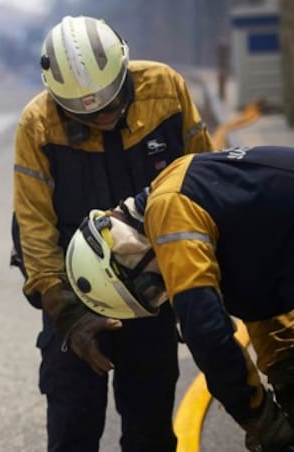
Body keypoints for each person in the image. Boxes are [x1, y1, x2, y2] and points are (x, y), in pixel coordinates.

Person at [11, 15, 213, 451]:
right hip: (73, 298)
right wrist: (69, 317)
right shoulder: (38, 124)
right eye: (85, 111)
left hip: (152, 297)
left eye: (110, 103)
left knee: (151, 432)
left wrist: (198, 285)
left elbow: (207, 186)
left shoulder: (166, 90)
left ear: (124, 67)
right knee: (72, 430)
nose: (103, 116)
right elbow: (34, 233)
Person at [64, 145, 294, 451]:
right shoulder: (181, 185)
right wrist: (289, 374)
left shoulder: (169, 211)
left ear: (122, 252)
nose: (163, 291)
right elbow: (260, 293)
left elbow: (207, 331)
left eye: (149, 288)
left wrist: (257, 416)